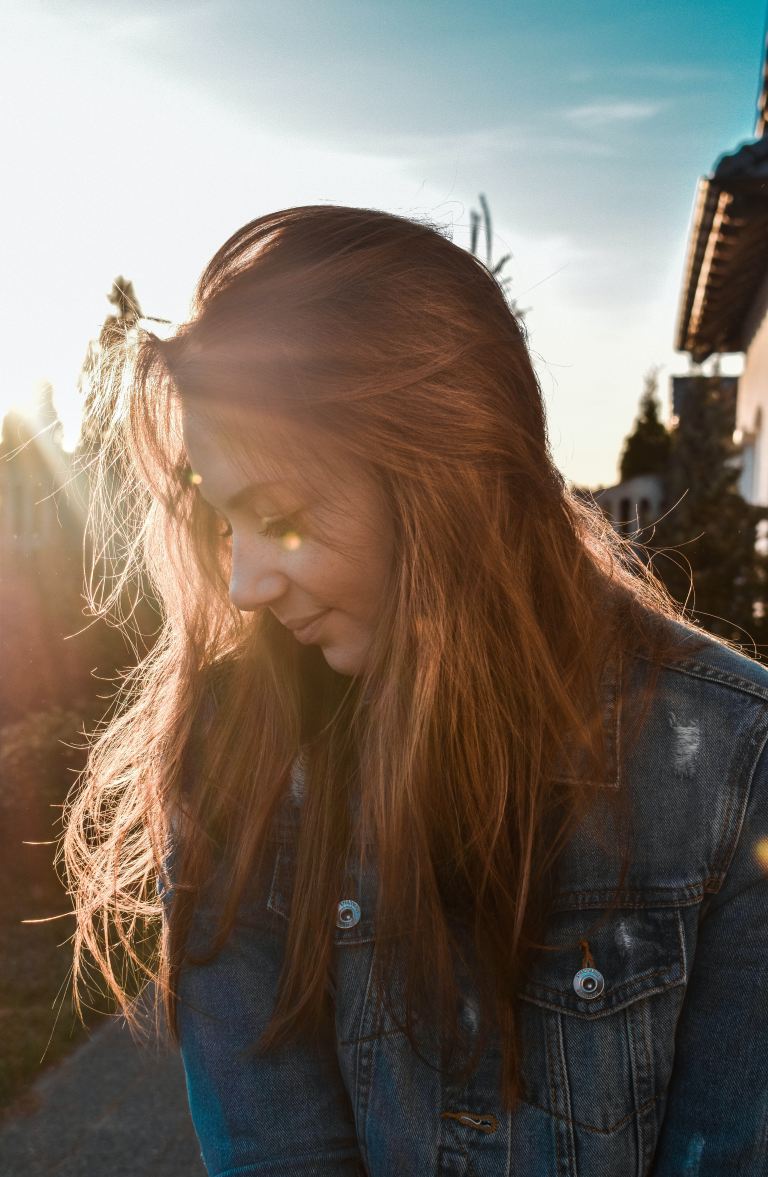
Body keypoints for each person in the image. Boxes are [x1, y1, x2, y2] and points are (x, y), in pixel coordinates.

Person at [64, 205, 768, 1177]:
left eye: (281, 517)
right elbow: (275, 1151)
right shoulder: (238, 749)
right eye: (228, 523)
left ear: (451, 486)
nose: (245, 585)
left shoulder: (737, 763)